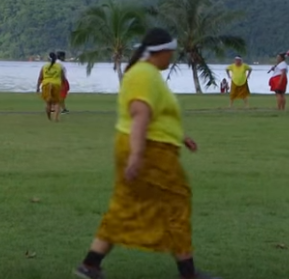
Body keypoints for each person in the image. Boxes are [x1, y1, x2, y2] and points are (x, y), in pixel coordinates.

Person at [73, 28, 218, 279]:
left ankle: (90, 264)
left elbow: (156, 116)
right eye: (171, 52)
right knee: (175, 205)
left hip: (151, 146)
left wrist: (180, 136)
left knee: (127, 204)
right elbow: (140, 114)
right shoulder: (144, 74)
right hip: (151, 151)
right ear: (161, 52)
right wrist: (137, 155)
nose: (172, 57)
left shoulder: (145, 73)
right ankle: (188, 273)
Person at [36, 51, 66, 122]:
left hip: (46, 84)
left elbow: (40, 77)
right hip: (56, 84)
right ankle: (56, 118)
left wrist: (38, 87)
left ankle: (49, 118)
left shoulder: (44, 66)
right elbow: (63, 77)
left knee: (48, 102)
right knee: (57, 102)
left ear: (48, 58)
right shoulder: (59, 66)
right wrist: (63, 85)